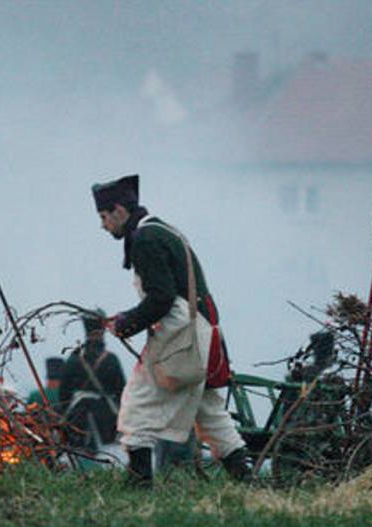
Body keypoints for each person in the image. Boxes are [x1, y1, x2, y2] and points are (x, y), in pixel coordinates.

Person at [91, 174, 250, 487]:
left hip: (182, 336)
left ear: (119, 210)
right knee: (210, 415)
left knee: (137, 406)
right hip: (200, 333)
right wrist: (130, 318)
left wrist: (126, 322)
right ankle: (248, 483)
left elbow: (162, 297)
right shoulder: (161, 230)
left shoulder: (146, 239)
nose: (103, 224)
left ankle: (138, 488)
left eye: (104, 216)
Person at [59, 311, 126, 448]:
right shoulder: (111, 360)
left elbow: (64, 394)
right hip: (106, 416)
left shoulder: (74, 359)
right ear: (103, 331)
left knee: (77, 450)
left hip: (77, 415)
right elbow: (122, 392)